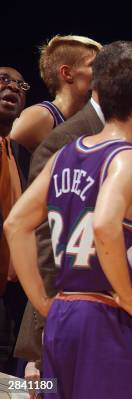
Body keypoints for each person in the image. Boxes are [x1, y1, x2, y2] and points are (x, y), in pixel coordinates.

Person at [3, 58, 132, 398]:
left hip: (63, 312)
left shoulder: (66, 154)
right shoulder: (129, 157)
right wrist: (127, 297)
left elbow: (15, 223)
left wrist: (43, 303)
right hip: (106, 316)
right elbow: (105, 224)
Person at [10, 35, 102, 153]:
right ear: (67, 73)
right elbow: (5, 156)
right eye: (95, 65)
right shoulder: (41, 116)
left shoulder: (92, 124)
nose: (104, 71)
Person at [0, 66, 29, 376]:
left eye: (21, 85)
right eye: (3, 80)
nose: (13, 88)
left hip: (13, 295)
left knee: (14, 387)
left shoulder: (22, 152)